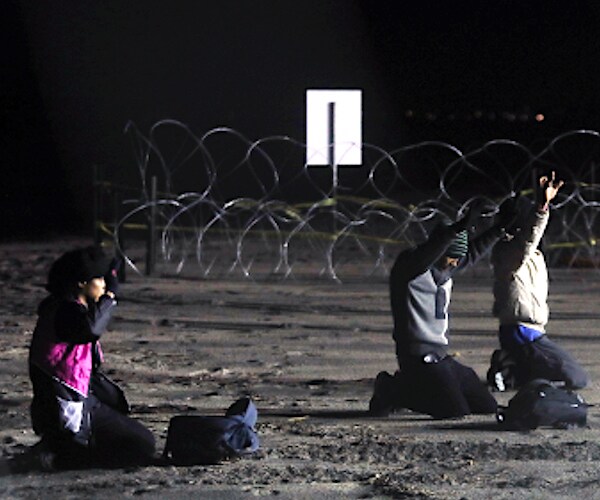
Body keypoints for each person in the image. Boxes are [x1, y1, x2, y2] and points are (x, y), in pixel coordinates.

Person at [369, 200, 517, 419]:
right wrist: (459, 228)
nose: (456, 264)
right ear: (439, 251)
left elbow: (473, 252)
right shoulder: (410, 269)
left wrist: (499, 229)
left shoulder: (445, 270)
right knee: (454, 411)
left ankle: (413, 389)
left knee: (486, 405)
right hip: (417, 359)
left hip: (440, 356)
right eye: (452, 258)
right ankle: (392, 389)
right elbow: (433, 249)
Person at [28, 245, 155, 470]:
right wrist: (110, 297)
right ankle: (55, 455)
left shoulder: (68, 307)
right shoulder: (63, 312)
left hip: (84, 400)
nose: (104, 284)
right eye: (99, 279)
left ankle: (58, 449)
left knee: (142, 443)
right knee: (123, 452)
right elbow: (89, 329)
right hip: (63, 405)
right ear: (81, 283)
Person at [487, 172, 589, 391]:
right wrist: (542, 207)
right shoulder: (508, 252)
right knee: (576, 378)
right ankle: (510, 363)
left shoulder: (532, 254)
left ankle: (512, 368)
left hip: (534, 330)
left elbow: (530, 242)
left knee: (538, 378)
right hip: (521, 333)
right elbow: (529, 238)